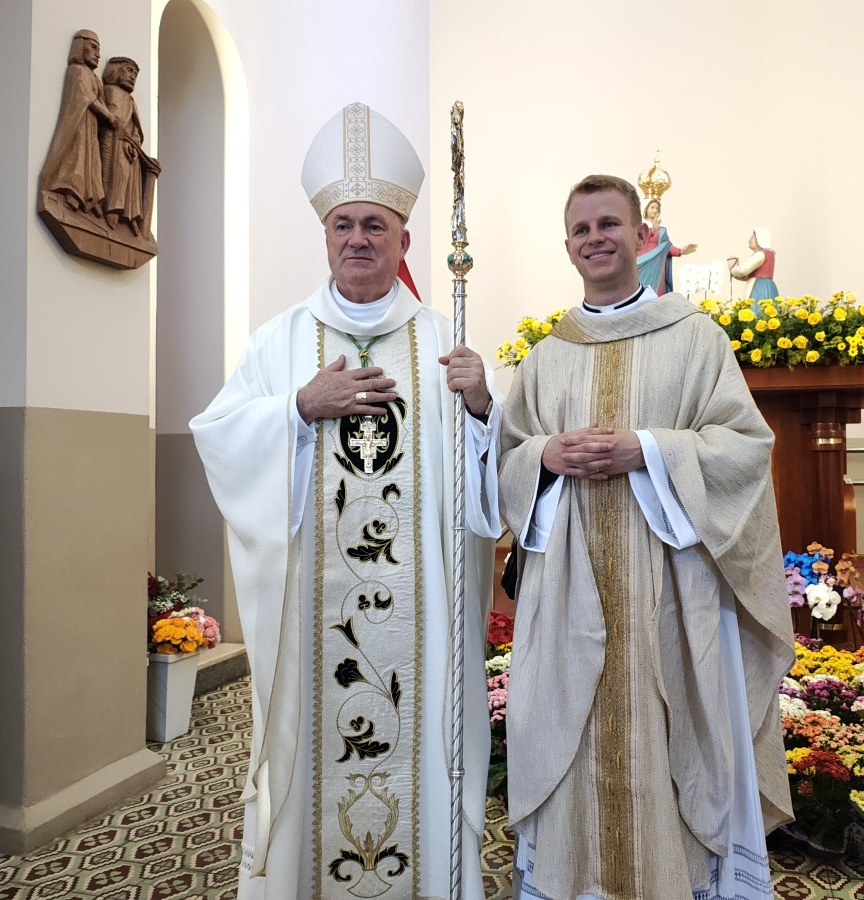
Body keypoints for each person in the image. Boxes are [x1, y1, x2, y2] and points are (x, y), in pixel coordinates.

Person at [191, 101, 502, 900]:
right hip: (312, 624)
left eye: (375, 224)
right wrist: (298, 409)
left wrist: (479, 412)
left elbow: (488, 491)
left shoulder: (445, 344)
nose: (358, 239)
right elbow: (220, 436)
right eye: (343, 225)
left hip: (421, 627)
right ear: (323, 236)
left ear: (403, 238)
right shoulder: (279, 342)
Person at [498, 175, 794, 900]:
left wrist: (651, 451)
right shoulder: (546, 355)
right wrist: (545, 458)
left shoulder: (694, 338)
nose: (595, 239)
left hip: (671, 589)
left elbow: (745, 446)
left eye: (609, 224)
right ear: (567, 246)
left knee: (671, 739)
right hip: (569, 594)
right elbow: (507, 454)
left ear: (641, 237)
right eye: (581, 229)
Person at [39, 29, 117, 216]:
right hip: (79, 123)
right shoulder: (77, 71)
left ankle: (92, 197)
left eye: (99, 50)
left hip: (91, 126)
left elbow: (99, 98)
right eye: (93, 47)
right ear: (80, 47)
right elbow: (87, 98)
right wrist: (108, 115)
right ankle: (72, 192)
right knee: (78, 157)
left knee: (93, 161)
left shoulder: (94, 77)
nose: (98, 54)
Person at [99, 57, 160, 237]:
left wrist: (133, 142)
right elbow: (109, 118)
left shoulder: (130, 100)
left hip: (129, 146)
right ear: (115, 70)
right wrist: (121, 135)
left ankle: (130, 215)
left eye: (135, 73)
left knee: (130, 178)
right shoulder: (110, 91)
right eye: (128, 70)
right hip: (113, 141)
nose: (133, 76)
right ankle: (111, 209)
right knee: (116, 172)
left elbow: (135, 127)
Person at [635, 197, 696, 294]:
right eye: (652, 207)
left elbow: (667, 247)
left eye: (657, 208)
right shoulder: (637, 226)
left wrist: (681, 251)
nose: (655, 210)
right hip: (642, 264)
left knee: (656, 294)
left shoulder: (662, 230)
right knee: (639, 292)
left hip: (657, 267)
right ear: (645, 209)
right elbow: (634, 242)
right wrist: (651, 232)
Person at [728, 227, 779, 313]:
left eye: (752, 238)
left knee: (756, 311)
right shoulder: (768, 253)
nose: (749, 240)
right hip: (766, 286)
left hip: (759, 288)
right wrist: (735, 273)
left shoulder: (761, 254)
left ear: (760, 239)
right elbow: (746, 276)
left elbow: (743, 270)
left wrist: (733, 269)